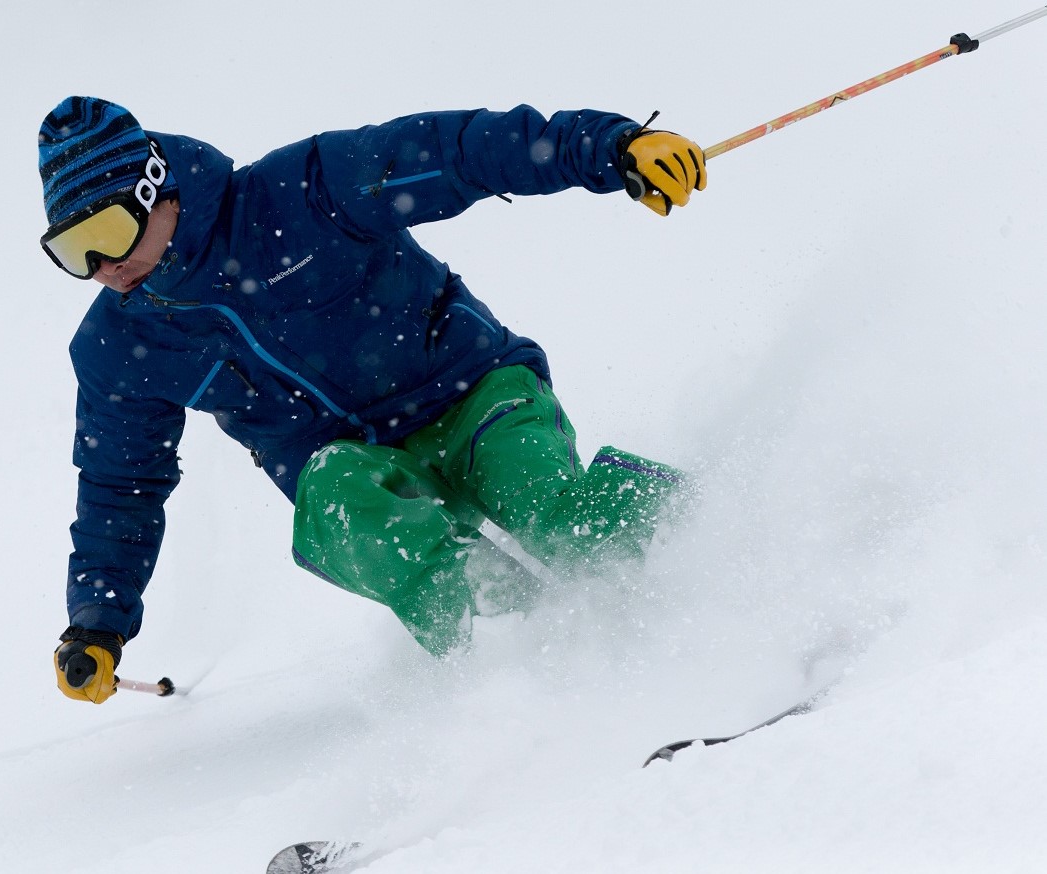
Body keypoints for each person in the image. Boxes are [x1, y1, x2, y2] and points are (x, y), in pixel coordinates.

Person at [41, 95, 704, 704]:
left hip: (471, 396)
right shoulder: (120, 343)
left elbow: (457, 152)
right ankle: (511, 655)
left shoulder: (299, 193)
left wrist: (607, 148)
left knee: (555, 518)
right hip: (351, 465)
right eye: (73, 251)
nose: (101, 265)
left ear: (156, 188)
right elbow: (118, 486)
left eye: (105, 230)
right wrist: (95, 624)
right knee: (337, 501)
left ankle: (704, 530)